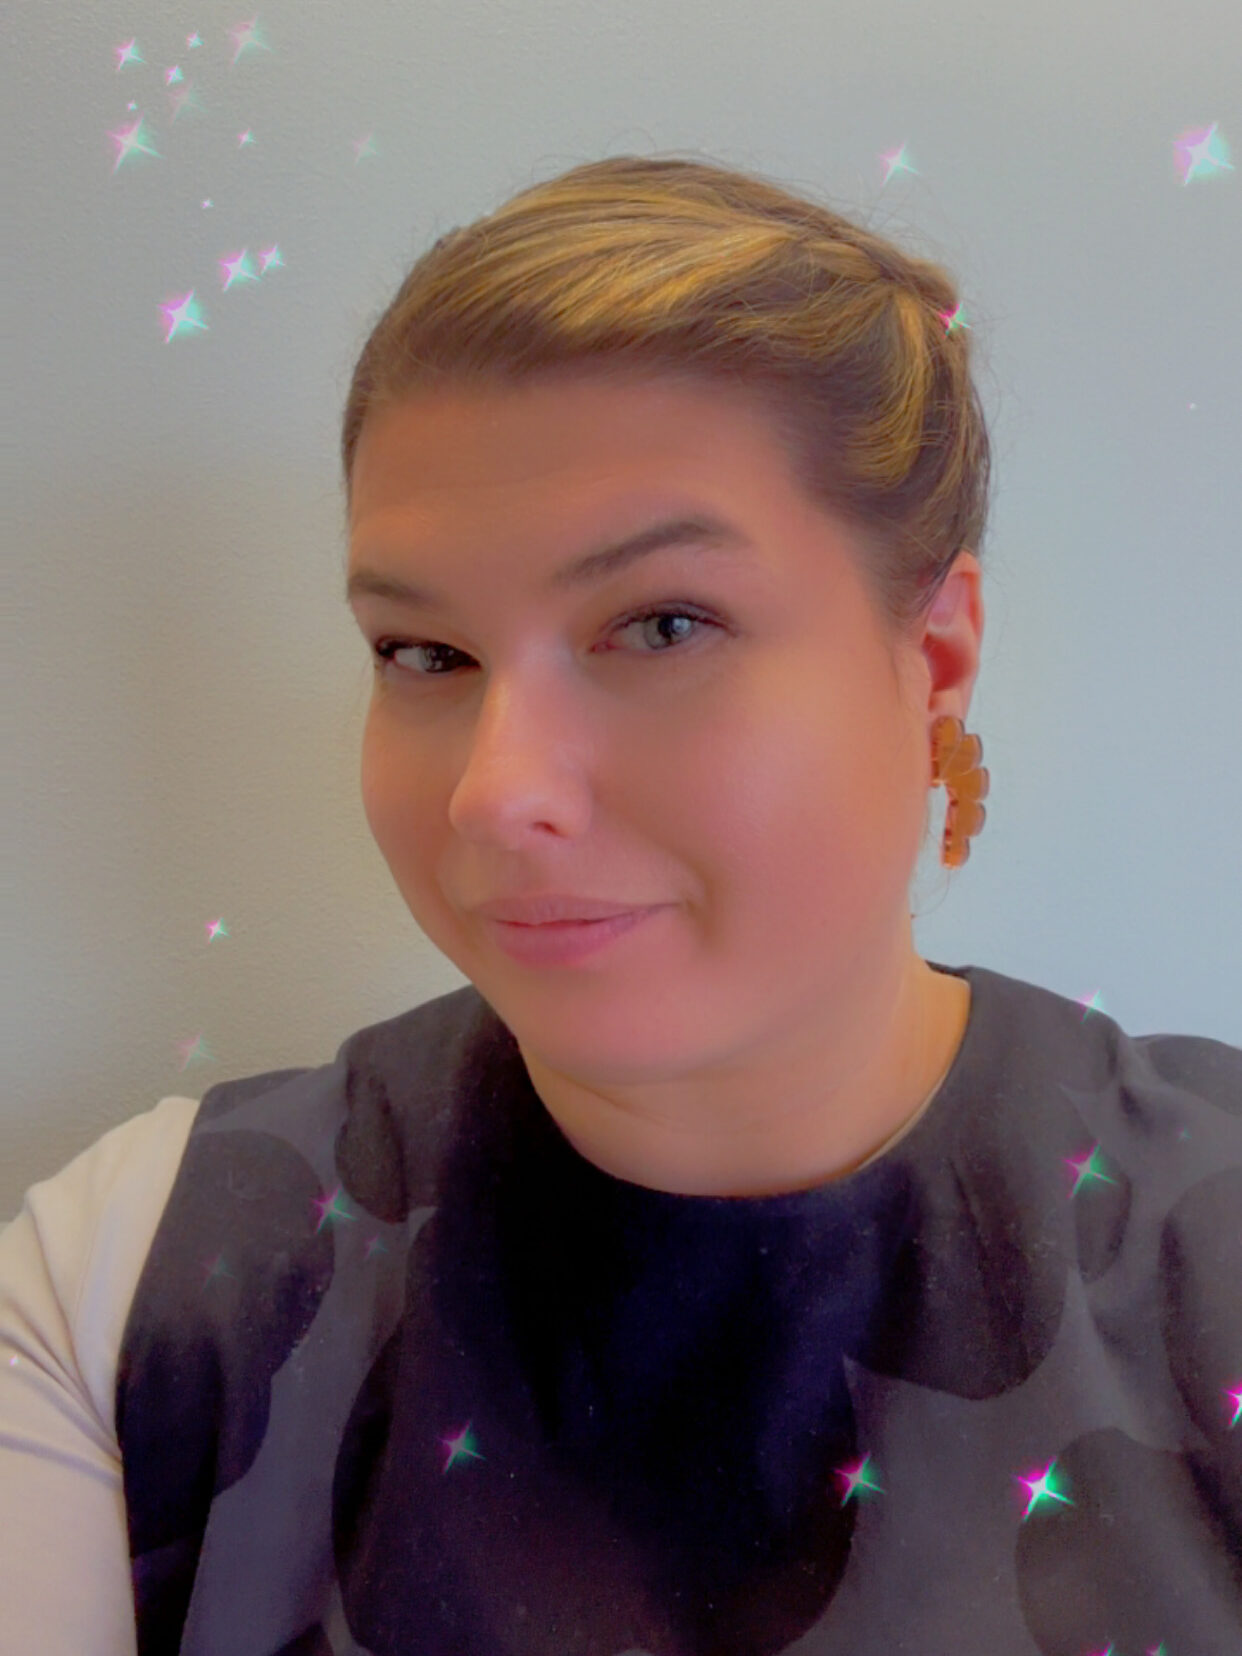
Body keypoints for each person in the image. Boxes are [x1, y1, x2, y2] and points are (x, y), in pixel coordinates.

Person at [2, 153, 1239, 1656]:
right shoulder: (147, 1276)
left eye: (660, 625)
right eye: (422, 653)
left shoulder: (1211, 1248)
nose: (494, 793)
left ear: (935, 658)